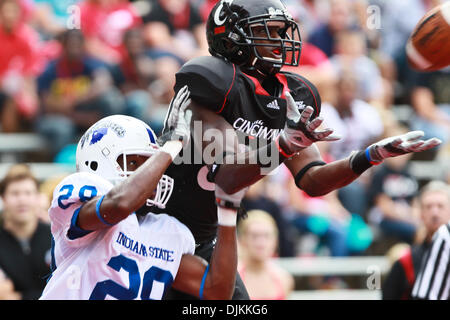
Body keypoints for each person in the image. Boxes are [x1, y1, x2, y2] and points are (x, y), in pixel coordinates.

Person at [157, 0, 441, 300]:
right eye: (270, 32)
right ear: (232, 40)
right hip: (160, 223)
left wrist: (369, 156)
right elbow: (226, 178)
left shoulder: (290, 94)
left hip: (207, 234)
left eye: (283, 32)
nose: (281, 41)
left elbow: (312, 179)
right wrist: (282, 146)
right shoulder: (213, 81)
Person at [40, 87, 243, 300]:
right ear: (97, 162)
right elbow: (118, 205)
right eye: (135, 163)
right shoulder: (81, 190)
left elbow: (218, 291)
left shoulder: (167, 230)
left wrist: (228, 209)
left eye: (151, 164)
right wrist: (173, 144)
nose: (153, 174)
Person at [36, 29, 125, 157]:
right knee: (63, 127)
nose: (75, 48)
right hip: (57, 119)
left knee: (111, 97)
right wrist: (83, 118)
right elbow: (50, 107)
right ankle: (63, 166)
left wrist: (75, 100)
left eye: (78, 44)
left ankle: (114, 150)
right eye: (71, 44)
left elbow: (104, 82)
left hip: (80, 114)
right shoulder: (51, 70)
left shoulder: (89, 64)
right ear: (63, 45)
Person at [382, 180, 450, 299]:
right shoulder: (405, 259)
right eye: (428, 207)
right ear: (421, 213)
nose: (435, 212)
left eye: (440, 206)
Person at [0, 164, 52, 300]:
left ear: (37, 197)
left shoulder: (55, 237)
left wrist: (18, 297)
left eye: (28, 193)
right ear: (3, 199)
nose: (22, 200)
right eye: (15, 193)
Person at [237, 209, 294, 300]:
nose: (261, 243)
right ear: (242, 240)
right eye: (254, 236)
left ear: (275, 241)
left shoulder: (283, 278)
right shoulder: (233, 278)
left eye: (266, 236)